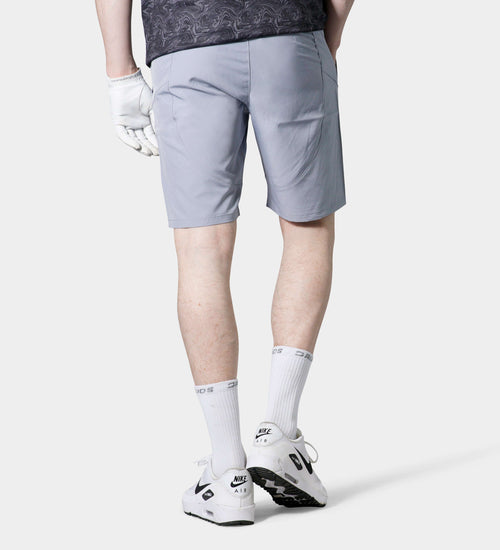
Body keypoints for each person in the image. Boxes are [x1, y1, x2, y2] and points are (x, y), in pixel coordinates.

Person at [95, 0, 354, 526]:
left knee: (200, 251)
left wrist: (120, 71)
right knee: (307, 230)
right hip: (289, 33)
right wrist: (325, 34)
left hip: (186, 45)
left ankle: (228, 471)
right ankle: (278, 433)